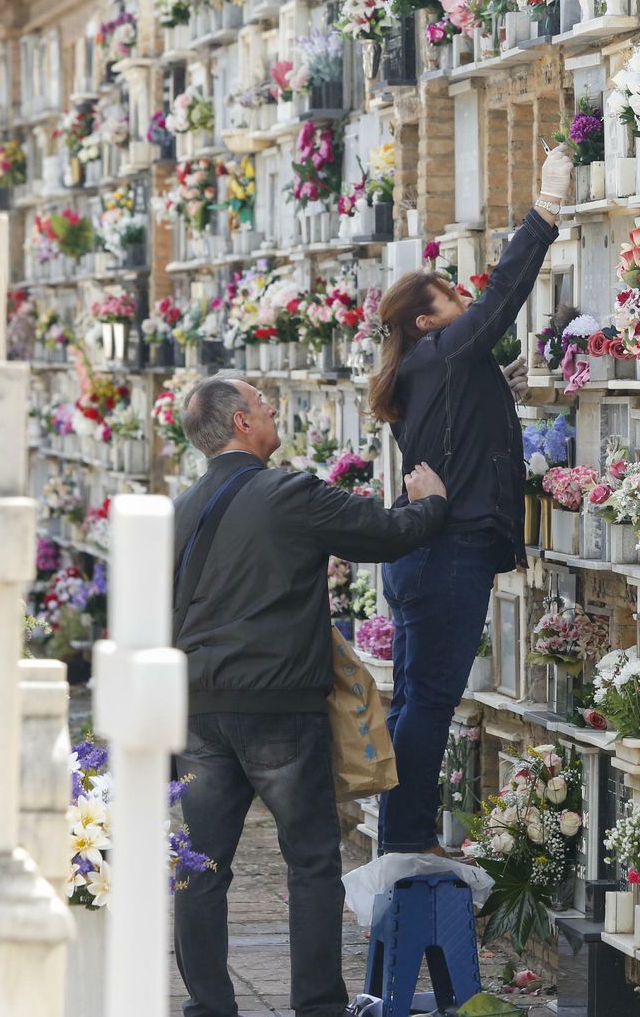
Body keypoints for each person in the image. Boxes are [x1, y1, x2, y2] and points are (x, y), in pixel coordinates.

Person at [170, 374, 450, 1017]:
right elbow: (384, 534)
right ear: (242, 423)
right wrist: (430, 503)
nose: (274, 414)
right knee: (312, 861)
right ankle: (318, 1006)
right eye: (266, 407)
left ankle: (209, 1007)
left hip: (198, 710)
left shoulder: (180, 509)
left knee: (201, 866)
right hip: (277, 709)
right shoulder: (286, 492)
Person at [367, 144, 574, 855]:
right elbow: (503, 297)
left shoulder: (426, 370)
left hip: (423, 557)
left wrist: (496, 392)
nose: (464, 305)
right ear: (427, 322)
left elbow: (459, 430)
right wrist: (544, 212)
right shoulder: (444, 350)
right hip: (446, 556)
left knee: (416, 700)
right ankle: (410, 842)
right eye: (450, 301)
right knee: (428, 702)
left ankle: (403, 837)